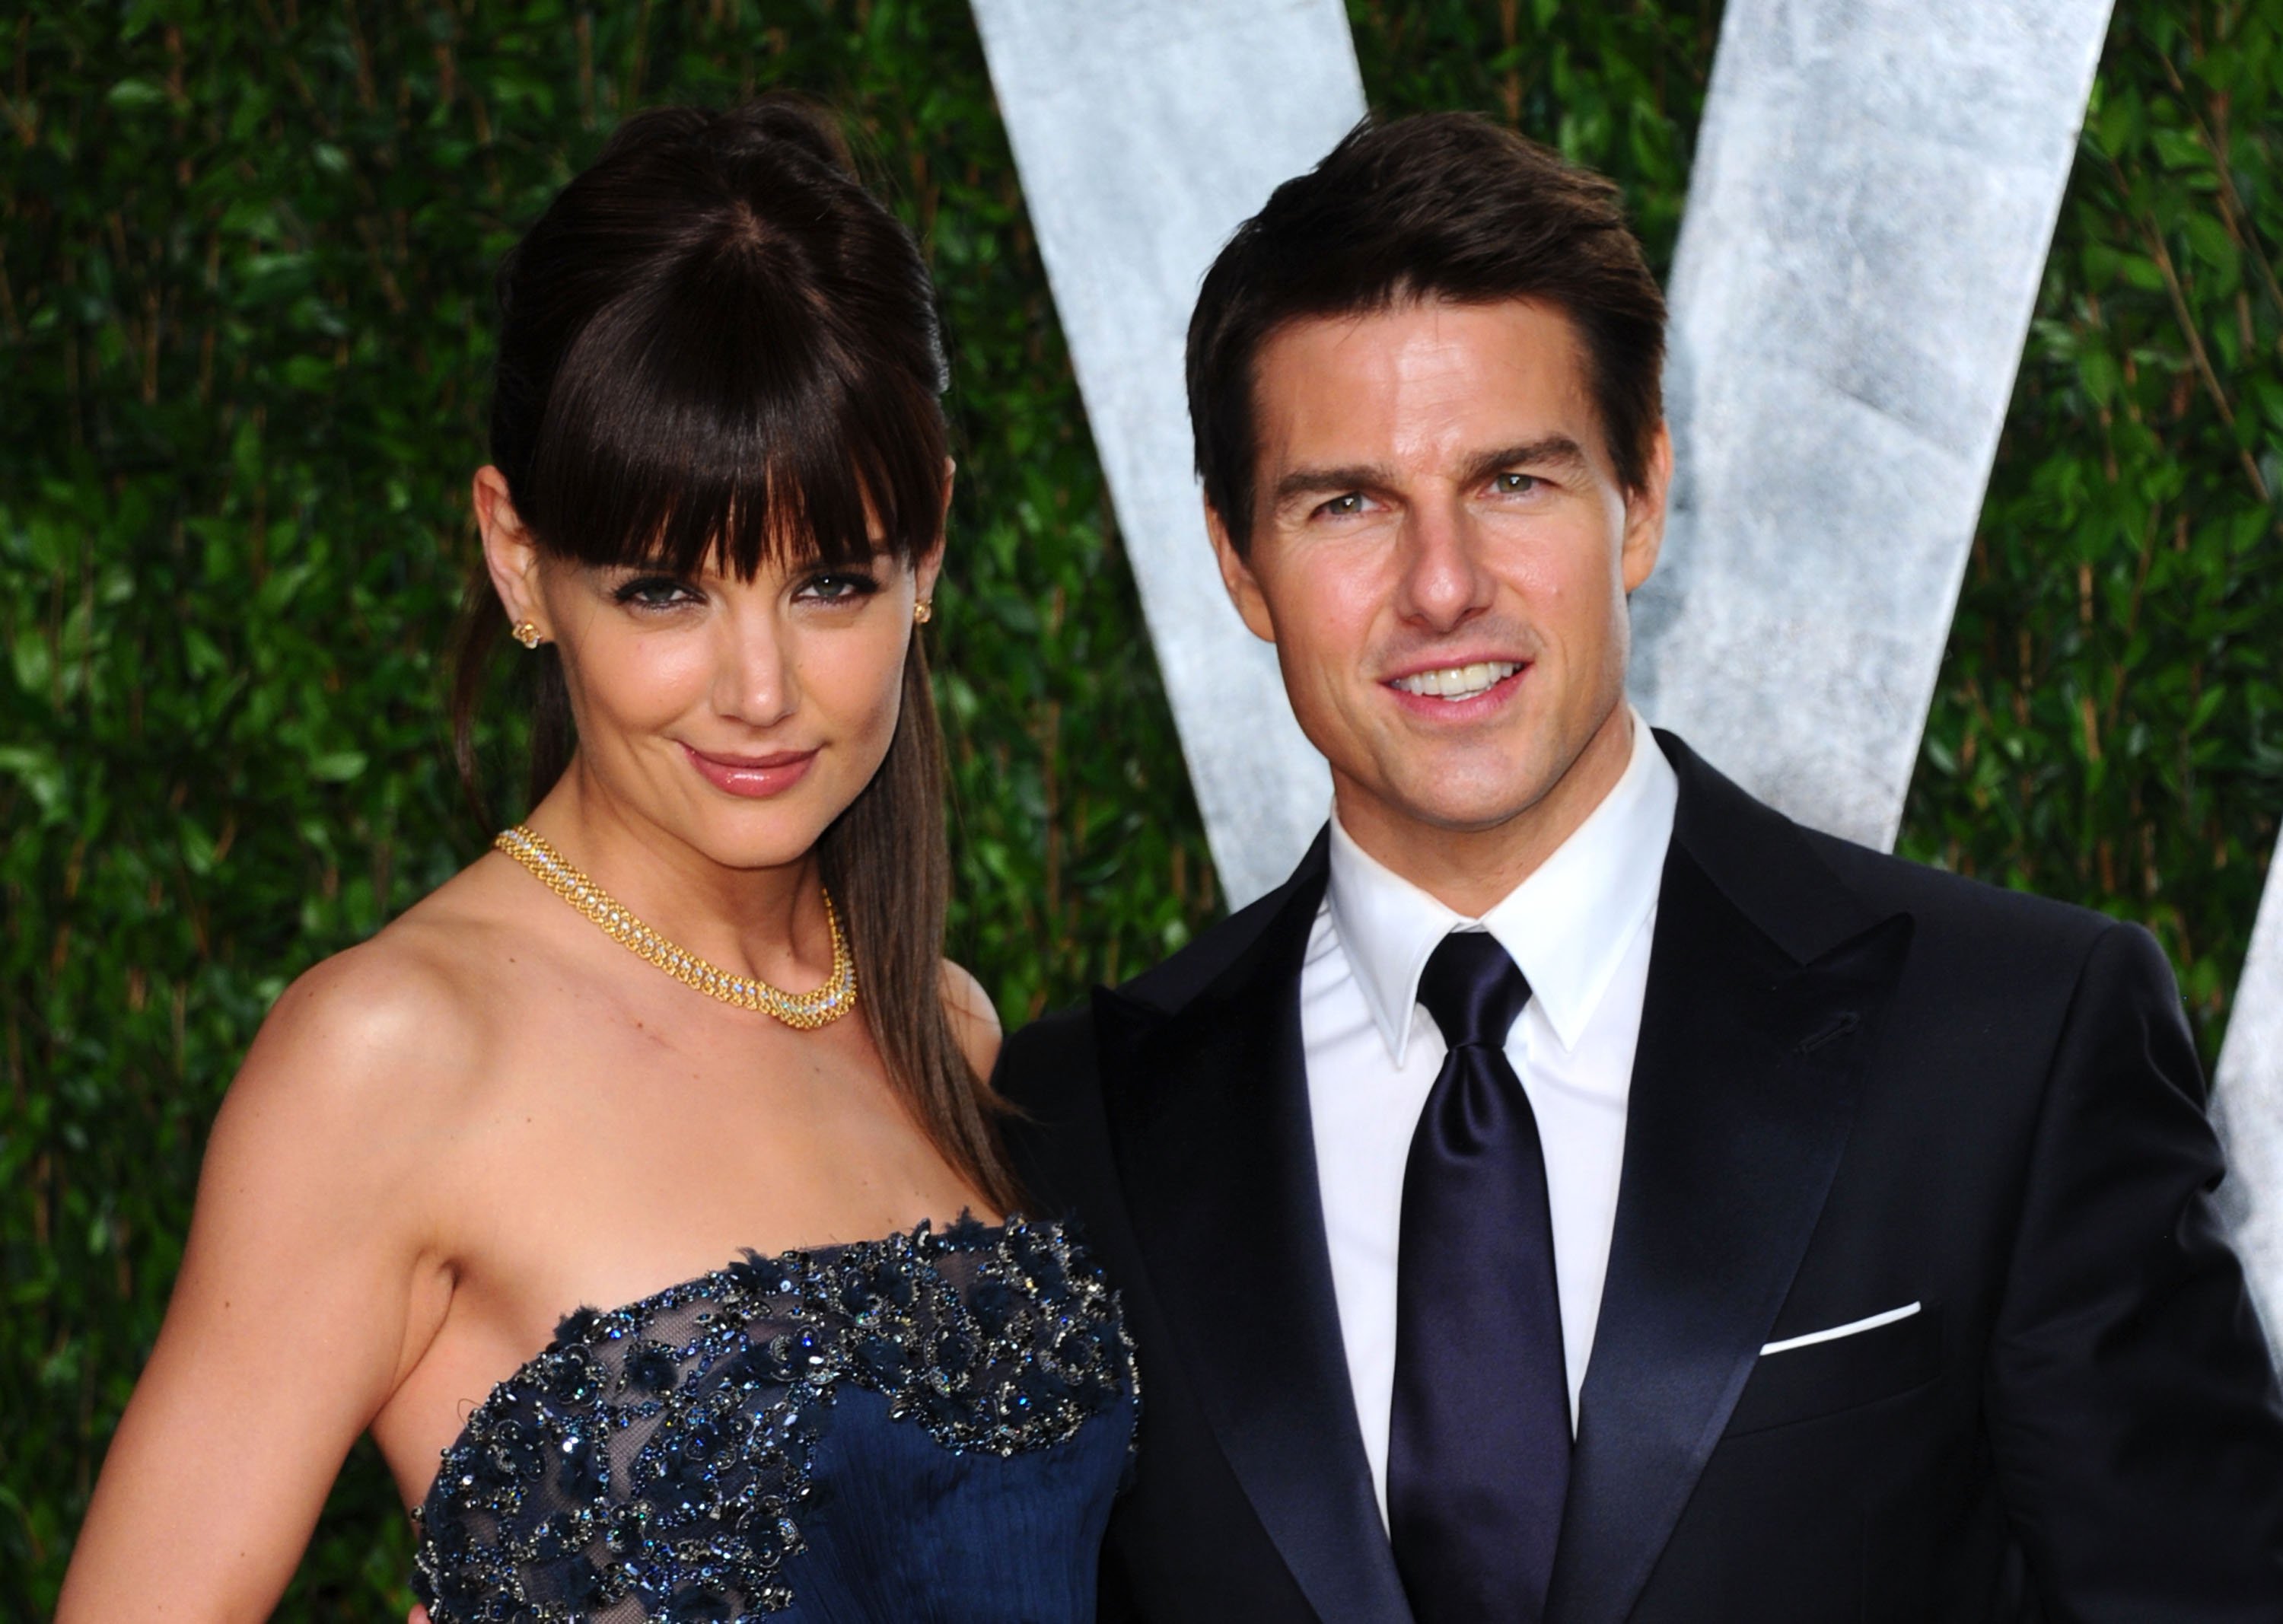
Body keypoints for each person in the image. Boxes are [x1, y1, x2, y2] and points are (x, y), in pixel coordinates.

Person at [995, 110, 2283, 1622]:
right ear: (1236, 560)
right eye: (1347, 502)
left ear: (1644, 497)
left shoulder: (2014, 1043)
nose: (1443, 584)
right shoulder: (1069, 1130)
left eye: (1514, 482)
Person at [57, 99, 1135, 1624]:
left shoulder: (940, 1024)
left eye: (831, 580)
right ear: (519, 557)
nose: (759, 688)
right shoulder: (392, 1055)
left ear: (932, 547)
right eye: (663, 590)